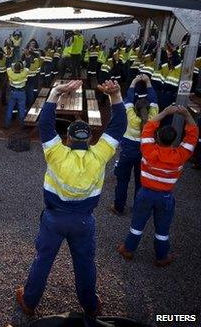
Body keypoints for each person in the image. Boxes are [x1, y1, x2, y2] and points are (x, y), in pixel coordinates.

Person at [16, 80, 126, 317]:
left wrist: (55, 93)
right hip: (84, 221)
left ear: (67, 138)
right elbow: (118, 127)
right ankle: (90, 305)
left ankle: (30, 301)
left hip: (54, 219)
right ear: (89, 140)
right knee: (85, 262)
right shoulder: (100, 155)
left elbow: (45, 123)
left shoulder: (56, 153)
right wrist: (116, 96)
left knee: (43, 260)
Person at [117, 105, 198, 267]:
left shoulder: (147, 149)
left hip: (145, 193)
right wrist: (186, 114)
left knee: (137, 223)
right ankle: (161, 256)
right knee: (163, 228)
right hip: (165, 197)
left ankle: (128, 249)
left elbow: (148, 127)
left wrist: (166, 112)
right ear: (174, 140)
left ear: (158, 137)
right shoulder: (180, 156)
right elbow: (193, 135)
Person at [110, 74, 158, 215]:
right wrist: (148, 82)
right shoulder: (153, 116)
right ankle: (138, 208)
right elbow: (154, 99)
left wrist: (134, 81)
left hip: (127, 151)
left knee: (122, 180)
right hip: (145, 153)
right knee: (140, 181)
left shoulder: (129, 114)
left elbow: (129, 97)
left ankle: (119, 207)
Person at [5, 62, 30, 128]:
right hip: (21, 93)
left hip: (13, 92)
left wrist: (13, 67)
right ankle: (22, 125)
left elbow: (8, 68)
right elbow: (26, 69)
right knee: (22, 109)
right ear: (21, 68)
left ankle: (7, 124)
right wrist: (22, 66)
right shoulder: (24, 73)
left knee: (10, 108)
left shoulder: (11, 74)